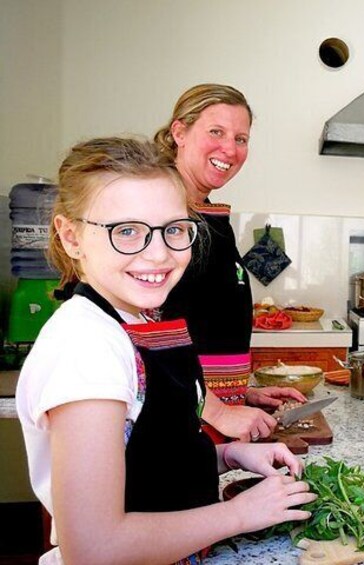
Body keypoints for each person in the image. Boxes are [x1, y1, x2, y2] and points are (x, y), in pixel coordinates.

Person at [15, 137, 315, 564]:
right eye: (127, 231)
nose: (159, 254)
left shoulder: (137, 321)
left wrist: (228, 455)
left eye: (174, 229)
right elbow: (94, 550)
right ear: (71, 237)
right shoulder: (85, 349)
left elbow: (150, 464)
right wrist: (238, 514)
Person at [154, 84, 305, 443]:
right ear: (180, 132)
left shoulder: (209, 217)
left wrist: (242, 394)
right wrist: (220, 410)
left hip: (210, 420)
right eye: (216, 132)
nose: (230, 149)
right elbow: (143, 340)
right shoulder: (165, 217)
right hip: (176, 425)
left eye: (241, 138)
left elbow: (200, 323)